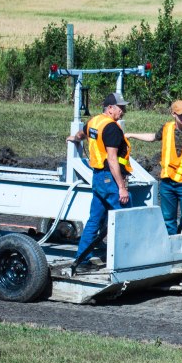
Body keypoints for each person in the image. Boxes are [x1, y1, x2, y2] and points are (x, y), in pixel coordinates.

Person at [66, 92, 133, 272]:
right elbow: (112, 159)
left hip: (97, 177)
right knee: (126, 217)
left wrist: (74, 138)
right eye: (120, 108)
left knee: (94, 220)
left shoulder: (94, 122)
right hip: (109, 178)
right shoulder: (111, 128)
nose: (123, 111)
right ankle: (126, 260)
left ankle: (82, 260)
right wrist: (122, 187)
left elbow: (81, 133)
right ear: (110, 108)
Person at [127, 100, 182, 235]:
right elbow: (152, 137)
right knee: (168, 219)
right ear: (173, 114)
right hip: (167, 182)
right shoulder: (166, 128)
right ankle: (171, 243)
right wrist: (131, 135)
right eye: (180, 114)